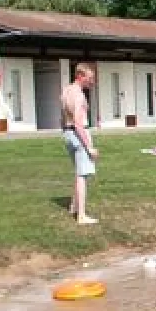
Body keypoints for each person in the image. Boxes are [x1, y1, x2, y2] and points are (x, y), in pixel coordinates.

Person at [60, 63, 99, 224]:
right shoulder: (78, 95)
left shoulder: (66, 90)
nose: (92, 82)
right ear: (80, 76)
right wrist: (89, 146)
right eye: (89, 79)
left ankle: (73, 206)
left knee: (78, 172)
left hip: (68, 134)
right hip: (78, 133)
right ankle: (81, 215)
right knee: (83, 175)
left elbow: (64, 116)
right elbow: (77, 122)